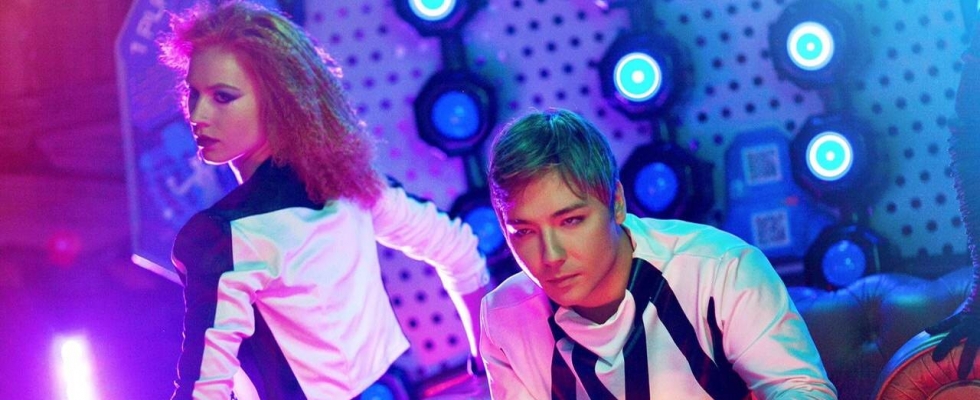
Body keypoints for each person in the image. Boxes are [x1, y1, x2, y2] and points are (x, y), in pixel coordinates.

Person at [158, 2, 489, 399]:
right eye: (193, 93)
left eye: (223, 97)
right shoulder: (349, 184)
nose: (197, 114)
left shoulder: (221, 236)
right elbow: (459, 250)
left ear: (279, 99)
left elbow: (202, 391)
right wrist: (488, 364)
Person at [479, 108, 837, 399]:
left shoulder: (720, 269)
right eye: (524, 231)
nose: (551, 255)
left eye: (571, 220)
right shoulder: (503, 319)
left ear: (617, 203)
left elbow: (802, 390)